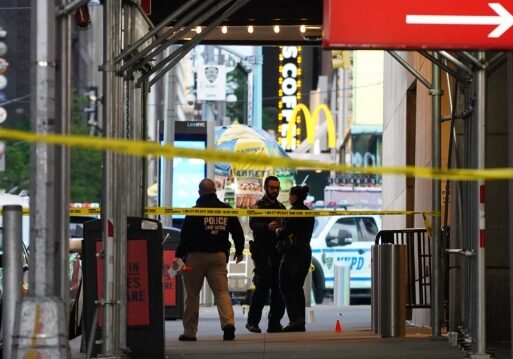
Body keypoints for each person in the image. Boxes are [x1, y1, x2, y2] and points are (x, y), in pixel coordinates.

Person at [171, 178, 245, 341]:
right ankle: (228, 325)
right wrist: (239, 251)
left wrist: (179, 256)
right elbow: (238, 232)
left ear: (199, 192)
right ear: (215, 191)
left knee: (192, 295)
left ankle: (190, 332)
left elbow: (185, 237)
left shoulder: (194, 211)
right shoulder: (226, 210)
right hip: (218, 257)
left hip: (195, 258)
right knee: (221, 293)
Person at [245, 176, 286, 333]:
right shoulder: (258, 206)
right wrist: (267, 227)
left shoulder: (281, 208)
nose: (275, 190)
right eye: (272, 187)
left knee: (278, 289)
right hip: (263, 252)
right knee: (262, 288)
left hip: (277, 252)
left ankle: (274, 323)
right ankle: (252, 322)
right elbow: (253, 224)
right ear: (265, 188)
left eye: (277, 188)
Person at [275, 185, 315, 332]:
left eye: (290, 195)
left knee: (285, 286)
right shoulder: (309, 213)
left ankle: (295, 319)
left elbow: (284, 232)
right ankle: (301, 321)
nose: (289, 198)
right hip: (305, 253)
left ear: (295, 197)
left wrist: (277, 229)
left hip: (292, 254)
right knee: (297, 287)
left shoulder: (293, 213)